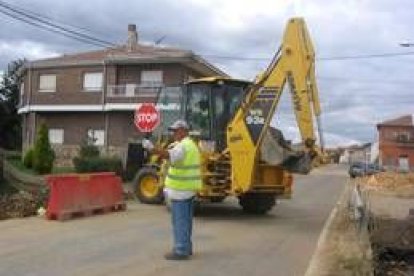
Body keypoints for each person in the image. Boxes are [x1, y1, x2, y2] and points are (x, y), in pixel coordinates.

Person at [142, 120, 202, 261]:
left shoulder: (183, 146)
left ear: (184, 131)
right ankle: (187, 247)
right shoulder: (191, 145)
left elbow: (169, 155)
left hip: (181, 190)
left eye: (176, 130)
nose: (174, 133)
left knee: (179, 221)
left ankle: (181, 250)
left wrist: (152, 149)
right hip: (188, 189)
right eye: (173, 130)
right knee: (186, 221)